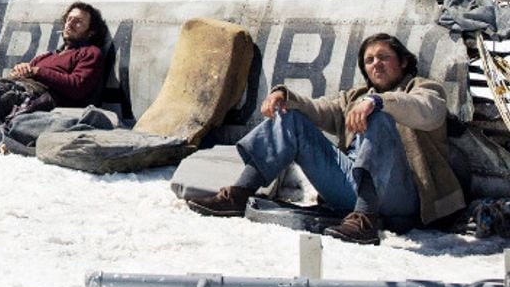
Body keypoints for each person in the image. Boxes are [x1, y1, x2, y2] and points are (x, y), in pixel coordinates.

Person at [187, 33, 465, 244]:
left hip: (405, 196)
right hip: (351, 186)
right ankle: (237, 195)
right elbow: (319, 109)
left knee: (379, 118)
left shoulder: (425, 90)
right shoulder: (354, 98)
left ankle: (366, 221)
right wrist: (284, 96)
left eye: (384, 57)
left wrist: (378, 102)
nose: (376, 64)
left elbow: (427, 111)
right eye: (369, 60)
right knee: (291, 117)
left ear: (403, 62)